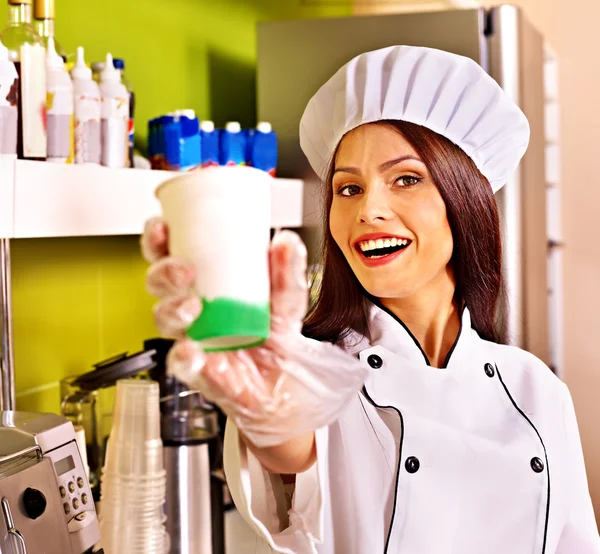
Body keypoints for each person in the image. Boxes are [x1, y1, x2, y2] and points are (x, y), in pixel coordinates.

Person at [141, 46, 600, 553]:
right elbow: (291, 446)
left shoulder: (538, 390)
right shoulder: (317, 376)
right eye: (349, 189)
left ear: (464, 199)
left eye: (406, 178)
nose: (369, 210)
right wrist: (268, 417)